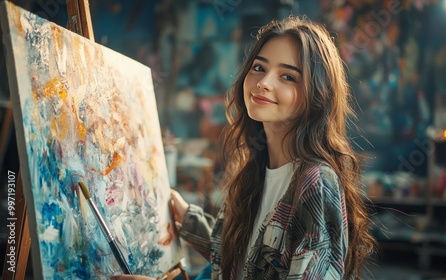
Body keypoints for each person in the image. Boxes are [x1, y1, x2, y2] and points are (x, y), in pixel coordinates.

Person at [112, 15, 375, 280]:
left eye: (287, 76)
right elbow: (244, 261)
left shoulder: (315, 182)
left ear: (316, 96)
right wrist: (187, 217)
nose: (264, 82)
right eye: (259, 68)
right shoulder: (255, 170)